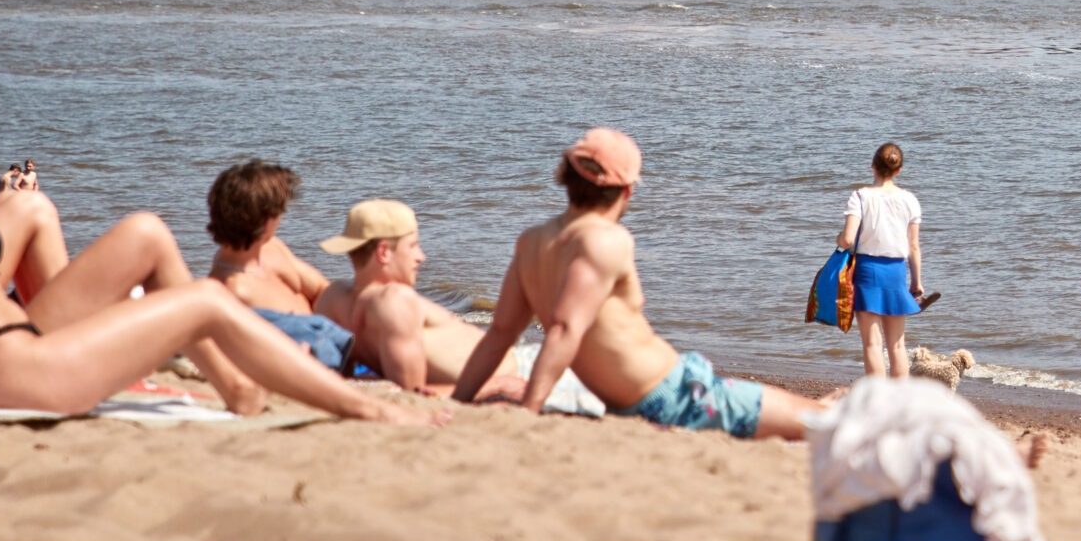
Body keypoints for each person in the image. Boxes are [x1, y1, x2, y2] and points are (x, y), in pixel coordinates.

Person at [0, 49, 439, 423]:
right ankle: (361, 408)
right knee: (210, 301)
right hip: (12, 372)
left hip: (3, 350)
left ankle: (237, 387)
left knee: (147, 231)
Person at [454, 129, 822, 439]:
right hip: (671, 395)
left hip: (652, 392)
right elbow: (566, 328)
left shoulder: (532, 241)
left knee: (809, 411)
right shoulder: (606, 239)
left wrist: (459, 403)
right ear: (627, 190)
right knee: (823, 423)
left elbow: (500, 333)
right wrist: (529, 413)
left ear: (566, 175)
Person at [311, 198, 525, 400]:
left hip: (502, 365)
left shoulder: (332, 298)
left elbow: (337, 379)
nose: (420, 257)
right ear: (384, 252)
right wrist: (499, 385)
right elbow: (415, 396)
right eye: (412, 245)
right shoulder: (395, 301)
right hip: (507, 373)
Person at [202, 160, 352, 373]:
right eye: (279, 212)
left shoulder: (272, 248)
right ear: (266, 223)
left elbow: (325, 291)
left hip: (339, 340)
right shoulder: (231, 290)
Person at [838, 143, 925, 379]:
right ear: (898, 170)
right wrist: (916, 282)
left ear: (873, 166)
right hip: (897, 271)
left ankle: (877, 401)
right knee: (897, 346)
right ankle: (899, 403)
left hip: (867, 271)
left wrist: (839, 238)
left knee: (872, 345)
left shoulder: (860, 196)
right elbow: (913, 245)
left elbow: (847, 239)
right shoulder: (910, 200)